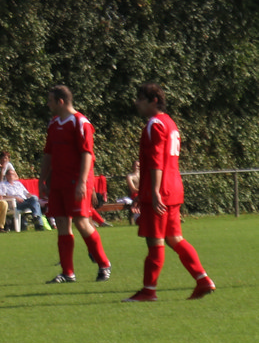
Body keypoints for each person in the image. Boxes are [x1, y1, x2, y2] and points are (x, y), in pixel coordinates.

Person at [124, 83, 216, 302]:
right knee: (174, 238)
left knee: (155, 240)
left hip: (160, 190)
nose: (136, 103)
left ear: (154, 101)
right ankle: (203, 280)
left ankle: (149, 291)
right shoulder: (170, 123)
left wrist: (154, 191)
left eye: (141, 99)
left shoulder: (154, 124)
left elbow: (156, 160)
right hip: (173, 187)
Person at [40, 85, 112, 284]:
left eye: (50, 101)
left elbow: (87, 154)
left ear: (60, 101)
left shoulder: (80, 123)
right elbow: (48, 154)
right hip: (58, 181)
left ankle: (103, 264)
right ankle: (67, 273)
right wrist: (42, 179)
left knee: (81, 222)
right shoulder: (53, 124)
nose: (48, 104)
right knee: (62, 224)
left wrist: (82, 182)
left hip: (76, 181)